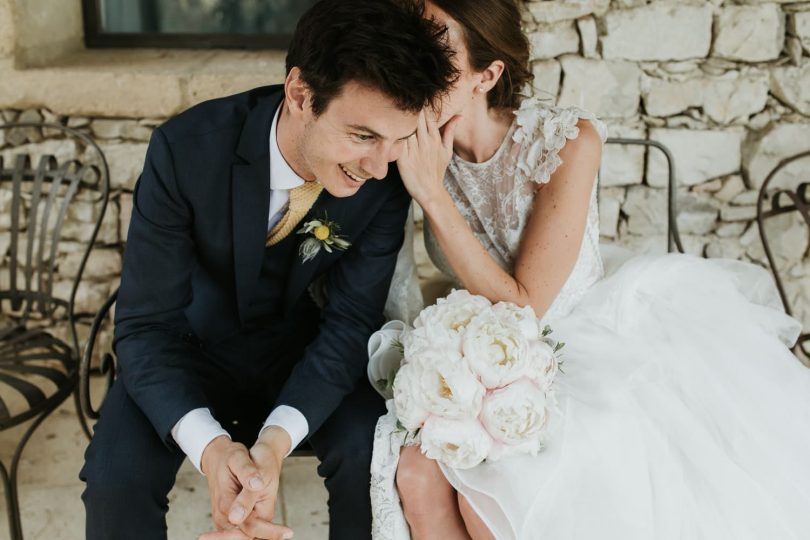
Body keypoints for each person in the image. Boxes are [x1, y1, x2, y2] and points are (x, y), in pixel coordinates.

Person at [370, 1, 810, 539]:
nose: (414, 61)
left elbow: (526, 304)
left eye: (438, 49)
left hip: (580, 346)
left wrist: (432, 196)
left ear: (487, 74)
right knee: (414, 473)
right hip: (475, 354)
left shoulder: (567, 142)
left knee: (492, 502)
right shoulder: (404, 140)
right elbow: (393, 279)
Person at [79, 1, 458, 539]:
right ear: (301, 94)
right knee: (114, 478)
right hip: (188, 349)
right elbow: (144, 326)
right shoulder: (185, 150)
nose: (379, 167)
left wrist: (275, 442)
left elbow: (351, 322)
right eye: (363, 136)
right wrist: (212, 452)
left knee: (372, 455)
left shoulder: (384, 181)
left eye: (397, 140)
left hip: (302, 354)